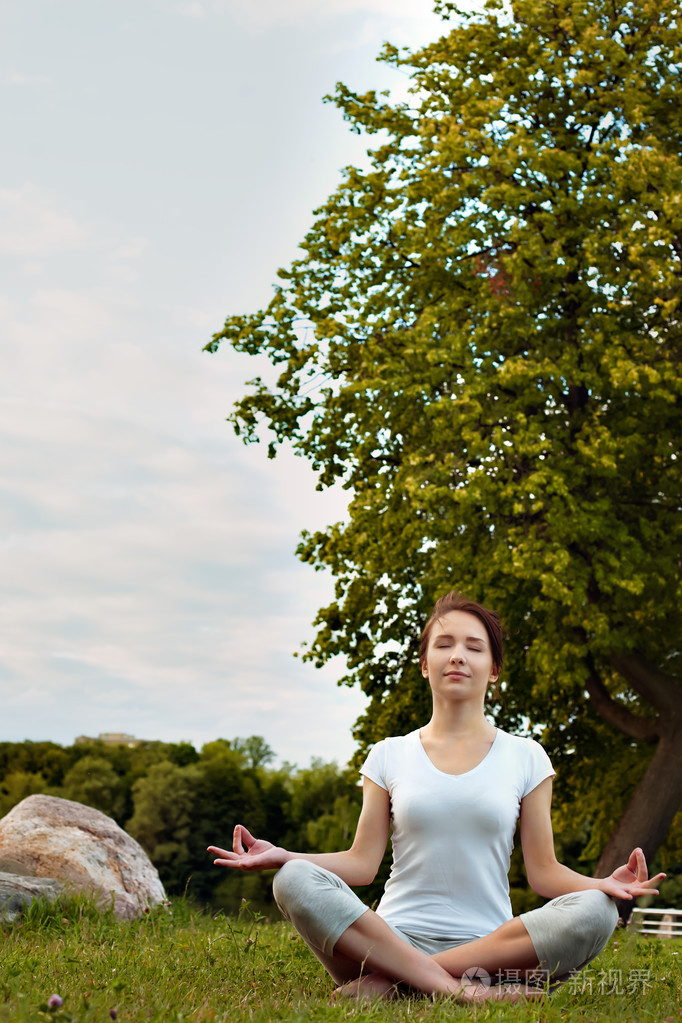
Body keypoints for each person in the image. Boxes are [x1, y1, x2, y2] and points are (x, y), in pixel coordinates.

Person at [208, 592, 664, 1003]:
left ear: (494, 669)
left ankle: (394, 983)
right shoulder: (389, 754)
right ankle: (457, 990)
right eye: (444, 645)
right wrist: (286, 856)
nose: (458, 656)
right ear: (425, 663)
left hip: (489, 945)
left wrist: (602, 884)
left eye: (474, 647)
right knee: (292, 879)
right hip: (388, 936)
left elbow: (544, 874)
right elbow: (363, 864)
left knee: (597, 912)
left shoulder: (526, 756)